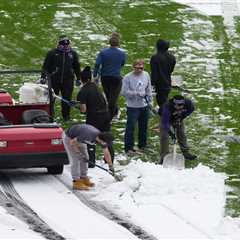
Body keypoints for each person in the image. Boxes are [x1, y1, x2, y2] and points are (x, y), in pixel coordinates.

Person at [77, 66, 114, 168]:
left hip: (94, 117)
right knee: (106, 137)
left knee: (91, 137)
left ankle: (91, 161)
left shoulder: (83, 91)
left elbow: (83, 109)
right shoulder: (96, 87)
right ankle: (110, 160)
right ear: (90, 78)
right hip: (106, 114)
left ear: (81, 79)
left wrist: (80, 107)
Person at [62, 123, 114, 190]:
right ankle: (76, 182)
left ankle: (83, 177)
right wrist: (79, 154)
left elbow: (106, 153)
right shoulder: (88, 135)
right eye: (105, 143)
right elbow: (72, 142)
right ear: (101, 140)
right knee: (76, 159)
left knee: (86, 158)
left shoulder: (102, 140)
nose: (105, 144)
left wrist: (110, 166)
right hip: (69, 137)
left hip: (79, 139)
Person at [41, 35, 81, 121]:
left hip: (68, 80)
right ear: (59, 44)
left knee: (66, 99)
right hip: (54, 79)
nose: (66, 47)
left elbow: (77, 67)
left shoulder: (73, 54)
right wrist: (43, 77)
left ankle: (66, 117)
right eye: (63, 45)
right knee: (51, 99)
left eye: (67, 45)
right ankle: (50, 116)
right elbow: (45, 67)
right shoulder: (52, 53)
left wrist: (78, 78)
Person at [93, 32, 126, 120]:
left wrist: (95, 75)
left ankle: (112, 114)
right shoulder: (122, 53)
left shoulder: (103, 52)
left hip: (105, 77)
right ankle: (113, 114)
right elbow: (122, 64)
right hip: (116, 77)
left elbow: (97, 64)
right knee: (113, 97)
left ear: (109, 43)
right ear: (118, 43)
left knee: (108, 96)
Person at [121, 59, 152, 154]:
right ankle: (128, 147)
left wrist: (150, 101)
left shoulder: (146, 75)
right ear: (133, 67)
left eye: (141, 68)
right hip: (132, 107)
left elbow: (148, 89)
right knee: (131, 127)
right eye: (137, 68)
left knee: (143, 126)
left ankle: (142, 145)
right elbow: (124, 92)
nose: (139, 70)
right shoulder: (127, 77)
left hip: (144, 105)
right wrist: (136, 93)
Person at [160, 95, 197, 163]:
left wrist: (181, 117)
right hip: (167, 119)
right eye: (178, 106)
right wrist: (171, 134)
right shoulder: (167, 107)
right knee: (164, 136)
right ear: (174, 104)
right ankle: (164, 157)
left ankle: (186, 153)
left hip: (179, 118)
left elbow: (191, 109)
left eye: (181, 106)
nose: (180, 107)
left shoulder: (188, 103)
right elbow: (165, 124)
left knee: (181, 133)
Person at [150, 39, 176, 115]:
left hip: (159, 84)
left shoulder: (155, 57)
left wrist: (151, 85)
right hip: (168, 82)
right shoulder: (172, 57)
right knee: (164, 101)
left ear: (158, 46)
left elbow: (154, 73)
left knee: (162, 103)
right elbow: (171, 71)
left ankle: (167, 121)